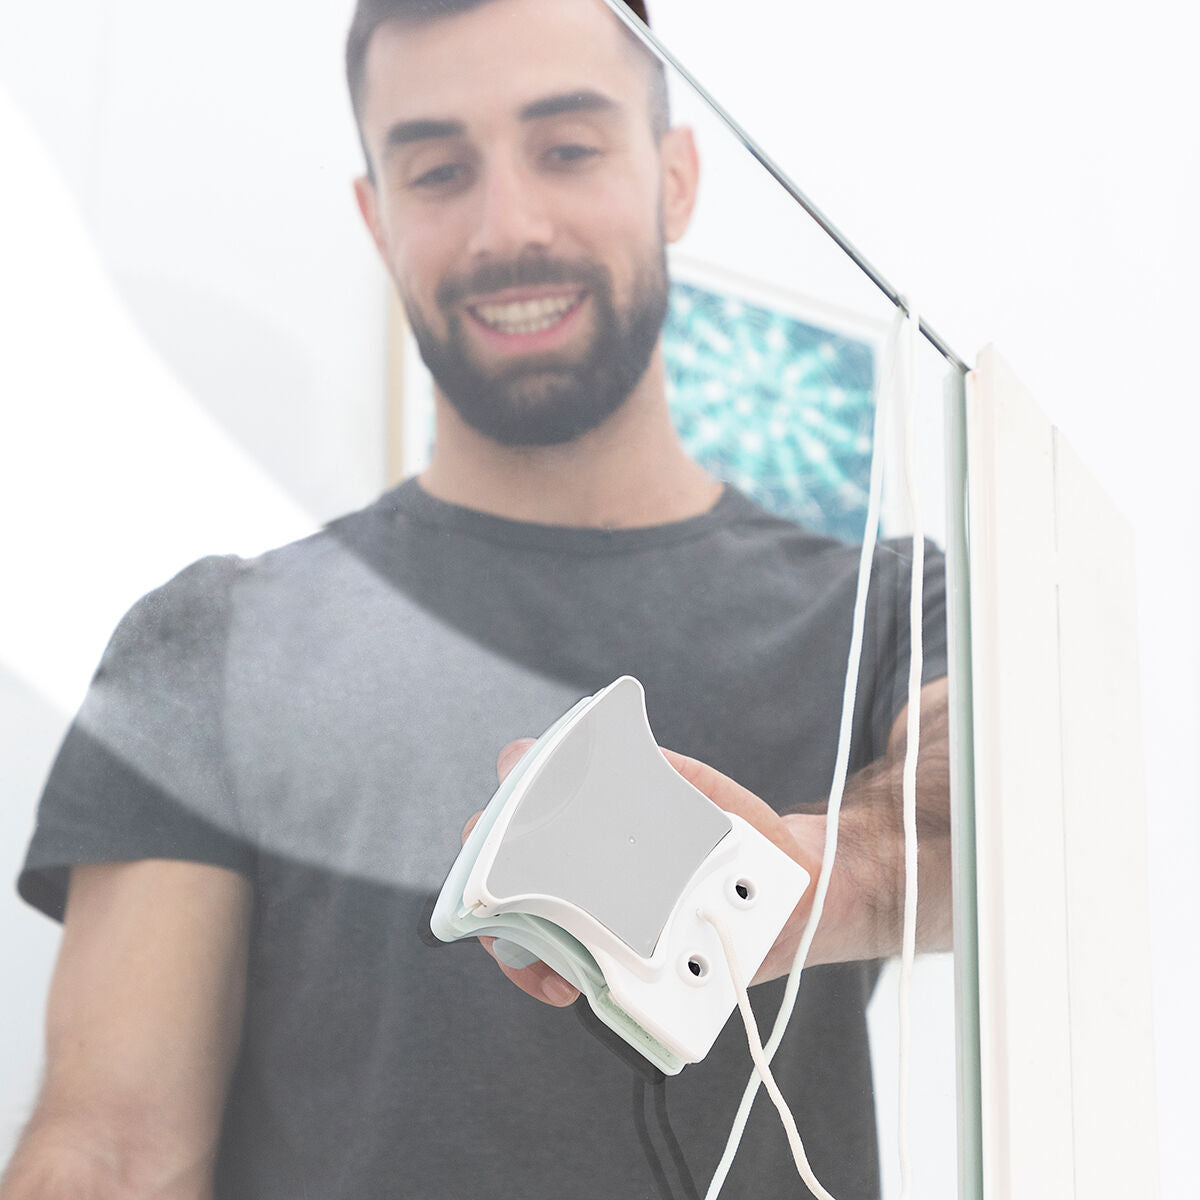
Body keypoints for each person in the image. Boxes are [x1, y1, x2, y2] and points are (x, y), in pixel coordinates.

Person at [3, 1, 951, 1197]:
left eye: (568, 148)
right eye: (440, 171)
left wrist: (818, 874)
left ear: (674, 177)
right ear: (378, 219)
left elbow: (984, 813)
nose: (510, 227)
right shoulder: (207, 640)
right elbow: (114, 1152)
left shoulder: (888, 605)